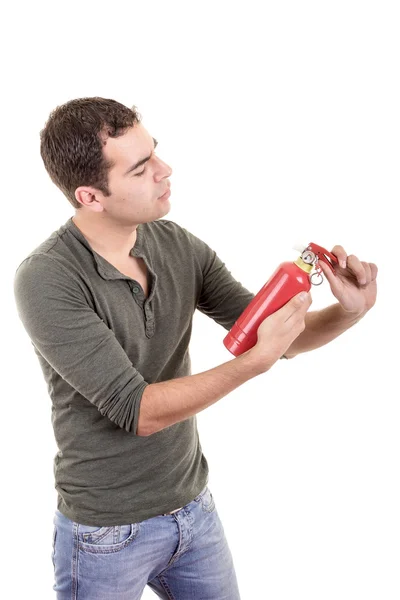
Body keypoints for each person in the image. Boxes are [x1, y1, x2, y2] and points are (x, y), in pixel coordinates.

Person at [13, 97, 378, 600]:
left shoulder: (174, 243)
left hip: (192, 511)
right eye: (141, 169)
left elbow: (272, 336)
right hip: (105, 534)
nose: (165, 170)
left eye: (154, 153)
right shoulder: (47, 278)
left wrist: (349, 311)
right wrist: (254, 363)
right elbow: (137, 410)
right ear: (91, 196)